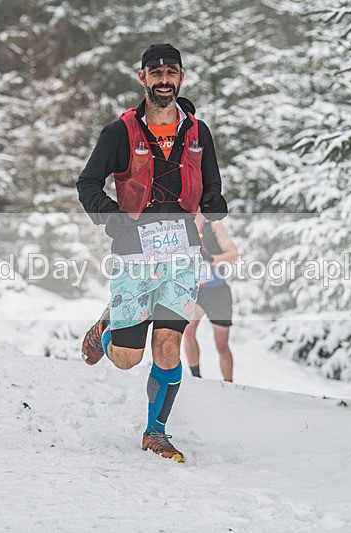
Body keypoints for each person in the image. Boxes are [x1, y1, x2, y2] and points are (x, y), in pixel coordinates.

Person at [76, 44, 228, 462]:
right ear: (142, 78)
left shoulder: (198, 132)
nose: (164, 80)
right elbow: (87, 184)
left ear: (181, 78)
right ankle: (108, 326)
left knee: (167, 347)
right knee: (126, 358)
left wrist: (214, 202)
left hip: (183, 254)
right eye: (156, 73)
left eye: (171, 72)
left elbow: (211, 184)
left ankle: (155, 433)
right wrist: (113, 218)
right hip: (135, 249)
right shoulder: (120, 132)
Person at [183, 212, 238, 382]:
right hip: (196, 291)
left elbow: (233, 254)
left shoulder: (214, 226)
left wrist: (212, 258)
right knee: (188, 331)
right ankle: (196, 377)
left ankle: (229, 383)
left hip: (217, 293)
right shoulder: (181, 227)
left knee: (221, 345)